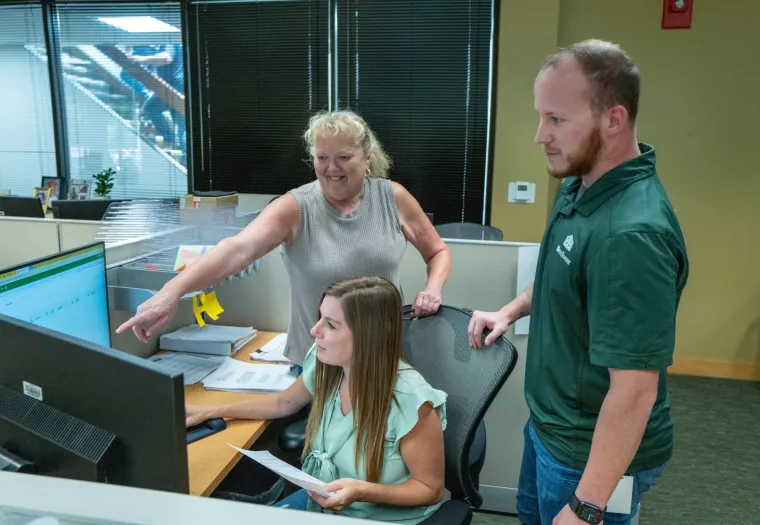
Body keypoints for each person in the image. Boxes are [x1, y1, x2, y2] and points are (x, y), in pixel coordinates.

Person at [468, 40, 689, 525]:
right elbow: (560, 280)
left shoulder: (631, 236)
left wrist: (587, 506)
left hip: (588, 453)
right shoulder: (580, 185)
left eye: (557, 120)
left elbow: (634, 391)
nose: (539, 136)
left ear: (613, 119)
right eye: (540, 116)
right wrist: (510, 310)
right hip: (551, 427)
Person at [116, 110, 451, 366]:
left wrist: (432, 289)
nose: (331, 168)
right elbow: (237, 249)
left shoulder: (393, 198)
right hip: (318, 364)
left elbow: (437, 252)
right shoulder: (295, 206)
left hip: (383, 357)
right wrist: (171, 292)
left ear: (367, 159)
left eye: (344, 157)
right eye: (322, 158)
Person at [185, 276, 447, 522]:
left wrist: (362, 491)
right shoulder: (327, 365)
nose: (314, 330)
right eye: (320, 317)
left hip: (379, 516)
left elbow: (429, 489)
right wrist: (209, 410)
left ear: (369, 336)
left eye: (331, 325)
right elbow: (283, 403)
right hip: (324, 503)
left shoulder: (412, 401)